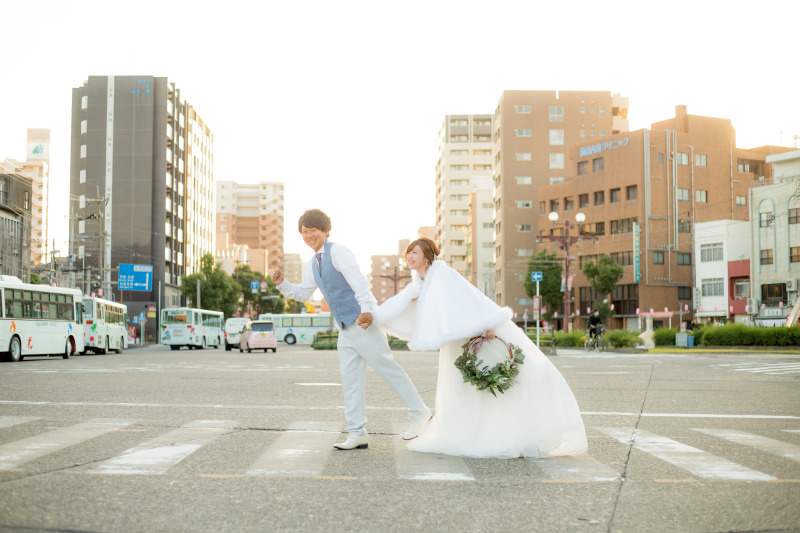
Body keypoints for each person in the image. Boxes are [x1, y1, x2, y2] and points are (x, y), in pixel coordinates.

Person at [373, 237, 587, 459]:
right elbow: (402, 302)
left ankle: (521, 435)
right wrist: (375, 315)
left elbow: (470, 297)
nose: (410, 256)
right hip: (458, 338)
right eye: (408, 252)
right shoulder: (420, 282)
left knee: (503, 382)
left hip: (481, 331)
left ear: (427, 256)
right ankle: (471, 433)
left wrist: (486, 326)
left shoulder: (443, 274)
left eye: (415, 252)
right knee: (464, 387)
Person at [271, 209, 431, 451]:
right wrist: (282, 283)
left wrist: (366, 309)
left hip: (362, 321)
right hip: (345, 328)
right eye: (304, 231)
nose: (309, 235)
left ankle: (420, 413)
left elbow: (359, 282)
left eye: (313, 230)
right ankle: (357, 432)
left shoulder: (338, 251)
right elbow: (303, 293)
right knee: (351, 381)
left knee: (387, 368)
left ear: (326, 231)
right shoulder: (312, 263)